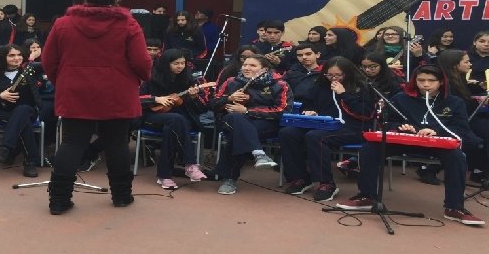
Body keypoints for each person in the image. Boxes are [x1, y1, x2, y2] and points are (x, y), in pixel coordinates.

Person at [42, 0, 152, 214]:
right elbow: (142, 62)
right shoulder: (128, 25)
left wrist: (63, 81)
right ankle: (121, 196)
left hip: (75, 91)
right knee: (117, 143)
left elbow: (48, 60)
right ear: (116, 0)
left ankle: (59, 200)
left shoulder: (63, 24)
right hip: (117, 91)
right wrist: (141, 78)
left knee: (72, 142)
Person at [336, 65, 485, 226]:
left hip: (438, 144)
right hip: (405, 141)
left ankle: (454, 207)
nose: (426, 84)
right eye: (421, 80)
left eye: (431, 80)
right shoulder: (401, 98)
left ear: (441, 82)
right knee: (369, 149)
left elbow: (461, 129)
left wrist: (436, 131)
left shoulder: (454, 102)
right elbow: (387, 122)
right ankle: (367, 196)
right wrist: (400, 127)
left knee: (457, 157)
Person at [279, 56, 374, 201]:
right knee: (287, 133)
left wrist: (344, 94)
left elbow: (366, 113)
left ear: (347, 73)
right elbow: (308, 103)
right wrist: (310, 111)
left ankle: (326, 183)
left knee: (316, 137)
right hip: (323, 124)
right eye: (329, 75)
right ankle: (300, 177)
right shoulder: (320, 86)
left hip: (352, 127)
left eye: (338, 75)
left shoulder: (360, 87)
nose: (333, 78)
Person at [209, 55, 289, 195]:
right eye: (245, 65)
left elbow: (282, 110)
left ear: (264, 69)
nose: (246, 68)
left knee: (239, 133)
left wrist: (247, 111)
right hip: (230, 121)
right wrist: (229, 98)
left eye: (252, 65)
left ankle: (229, 179)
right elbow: (212, 104)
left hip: (265, 124)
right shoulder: (231, 82)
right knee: (236, 119)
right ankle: (259, 154)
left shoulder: (279, 84)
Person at [431, 49, 489, 188]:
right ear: (454, 65)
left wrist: (478, 93)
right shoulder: (446, 84)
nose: (470, 64)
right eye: (466, 62)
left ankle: (480, 170)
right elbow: (458, 105)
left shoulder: (460, 79)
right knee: (483, 138)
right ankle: (431, 168)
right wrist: (480, 101)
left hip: (470, 118)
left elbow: (466, 97)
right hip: (454, 121)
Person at [139, 48, 209, 189]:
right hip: (152, 116)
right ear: (166, 63)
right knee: (176, 120)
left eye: (183, 63)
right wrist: (156, 99)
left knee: (171, 127)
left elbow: (204, 107)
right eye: (176, 63)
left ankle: (164, 176)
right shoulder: (150, 76)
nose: (180, 66)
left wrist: (194, 97)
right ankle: (190, 165)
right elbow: (136, 98)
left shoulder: (189, 79)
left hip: (179, 118)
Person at [0, 44, 43, 177]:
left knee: (22, 111)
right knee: (23, 123)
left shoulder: (30, 70)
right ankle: (30, 161)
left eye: (19, 55)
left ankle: (6, 147)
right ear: (3, 57)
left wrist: (35, 56)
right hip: (1, 112)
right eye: (11, 55)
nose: (17, 58)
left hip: (28, 109)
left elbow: (50, 64)